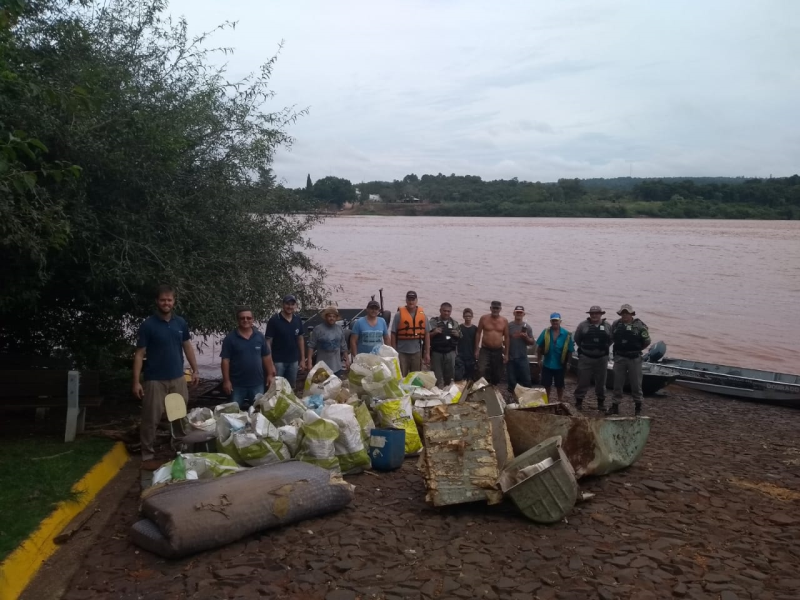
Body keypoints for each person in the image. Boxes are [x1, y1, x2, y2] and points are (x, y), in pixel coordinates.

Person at [132, 284, 199, 461]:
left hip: (177, 378)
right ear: (157, 301)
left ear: (174, 302)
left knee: (178, 416)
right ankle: (147, 453)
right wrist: (136, 381)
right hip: (155, 380)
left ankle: (179, 449)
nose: (166, 303)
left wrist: (195, 369)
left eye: (169, 300)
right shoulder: (148, 325)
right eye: (163, 300)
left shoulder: (180, 323)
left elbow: (187, 347)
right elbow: (139, 354)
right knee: (150, 418)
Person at [220, 306, 276, 410]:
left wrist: (269, 374)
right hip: (237, 385)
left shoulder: (259, 337)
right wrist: (226, 381)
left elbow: (266, 356)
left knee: (259, 411)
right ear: (238, 320)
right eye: (242, 318)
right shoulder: (230, 339)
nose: (246, 320)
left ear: (253, 320)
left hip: (257, 383)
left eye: (248, 318)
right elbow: (225, 361)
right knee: (233, 412)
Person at [608, 304, 651, 416]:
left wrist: (636, 349)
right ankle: (615, 406)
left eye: (627, 313)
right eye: (623, 313)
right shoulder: (616, 324)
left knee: (636, 384)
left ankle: (638, 408)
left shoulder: (640, 326)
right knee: (617, 384)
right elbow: (611, 338)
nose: (625, 315)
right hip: (620, 358)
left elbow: (647, 341)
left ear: (632, 314)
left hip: (634, 359)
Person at [573, 305, 612, 411]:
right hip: (586, 358)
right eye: (592, 313)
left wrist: (603, 349)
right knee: (582, 382)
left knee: (601, 383)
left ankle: (601, 403)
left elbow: (610, 340)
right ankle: (579, 402)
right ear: (589, 314)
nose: (594, 315)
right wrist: (585, 350)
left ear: (601, 314)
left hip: (602, 359)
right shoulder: (582, 325)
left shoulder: (608, 326)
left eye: (596, 313)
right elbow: (577, 339)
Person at [265, 295, 306, 388]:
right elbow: (268, 343)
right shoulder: (274, 320)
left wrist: (303, 359)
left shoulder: (297, 319)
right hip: (278, 362)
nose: (290, 307)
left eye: (292, 304)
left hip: (293, 361)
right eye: (287, 304)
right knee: (276, 388)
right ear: (283, 305)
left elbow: (300, 339)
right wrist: (270, 363)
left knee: (291, 388)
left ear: (295, 306)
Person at [536, 313, 574, 403]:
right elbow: (539, 347)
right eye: (553, 320)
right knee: (546, 385)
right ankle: (547, 401)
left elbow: (570, 350)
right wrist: (539, 359)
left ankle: (560, 400)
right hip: (547, 364)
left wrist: (569, 363)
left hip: (560, 365)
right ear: (550, 321)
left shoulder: (566, 334)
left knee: (560, 385)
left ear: (560, 321)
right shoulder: (546, 332)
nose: (555, 322)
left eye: (556, 320)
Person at [390, 290, 430, 376]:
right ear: (406, 300)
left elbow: (427, 334)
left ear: (416, 301)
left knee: (415, 377)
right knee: (401, 376)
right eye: (409, 299)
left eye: (413, 299)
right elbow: (393, 333)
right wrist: (393, 352)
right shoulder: (398, 315)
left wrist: (427, 353)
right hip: (402, 352)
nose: (411, 302)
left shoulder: (423, 315)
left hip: (417, 352)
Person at [474, 300, 509, 386]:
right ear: (490, 308)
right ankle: (480, 387)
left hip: (498, 350)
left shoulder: (504, 321)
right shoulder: (484, 318)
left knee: (497, 373)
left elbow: (507, 337)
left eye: (497, 308)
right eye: (494, 308)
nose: (495, 310)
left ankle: (493, 388)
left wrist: (506, 354)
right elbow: (478, 333)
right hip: (485, 349)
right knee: (480, 369)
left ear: (500, 309)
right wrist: (477, 349)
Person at [308, 306, 350, 377]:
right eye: (330, 316)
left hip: (337, 366)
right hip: (322, 367)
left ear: (336, 318)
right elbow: (311, 346)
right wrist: (309, 361)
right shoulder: (318, 329)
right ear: (325, 317)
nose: (332, 318)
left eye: (334, 316)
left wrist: (347, 360)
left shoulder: (339, 329)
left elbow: (343, 345)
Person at [429, 302, 461, 387]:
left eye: (448, 311)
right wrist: (434, 333)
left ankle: (448, 394)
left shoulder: (454, 323)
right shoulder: (433, 322)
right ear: (440, 310)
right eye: (444, 311)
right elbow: (426, 337)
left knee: (450, 378)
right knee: (437, 378)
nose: (446, 313)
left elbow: (460, 337)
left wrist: (457, 334)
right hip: (437, 353)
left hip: (450, 353)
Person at [507, 306, 534, 392]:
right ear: (514, 313)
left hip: (522, 357)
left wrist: (526, 337)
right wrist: (506, 354)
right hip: (511, 357)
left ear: (523, 314)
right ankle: (512, 399)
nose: (519, 314)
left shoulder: (527, 327)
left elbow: (532, 342)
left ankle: (527, 399)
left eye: (520, 312)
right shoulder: (509, 326)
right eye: (517, 312)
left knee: (527, 380)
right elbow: (504, 340)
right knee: (511, 381)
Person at [456, 308, 478, 381]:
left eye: (469, 316)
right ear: (463, 317)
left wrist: (476, 351)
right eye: (466, 316)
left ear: (472, 317)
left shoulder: (475, 328)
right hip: (460, 354)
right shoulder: (459, 327)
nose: (468, 318)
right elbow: (456, 341)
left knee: (470, 375)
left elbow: (476, 342)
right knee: (459, 375)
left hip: (471, 355)